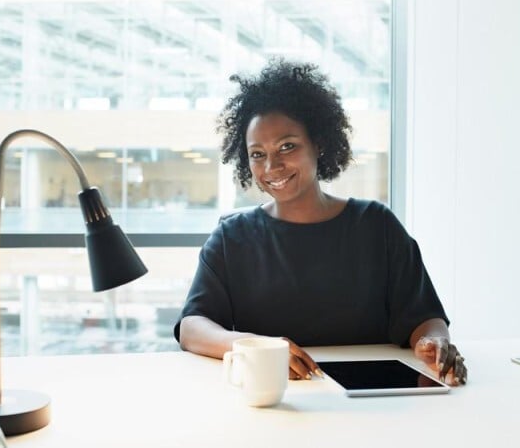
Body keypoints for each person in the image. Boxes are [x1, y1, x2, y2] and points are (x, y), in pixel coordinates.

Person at [174, 59, 467, 385]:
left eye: (288, 146)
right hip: (276, 400)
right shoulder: (233, 237)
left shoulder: (376, 225)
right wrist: (259, 348)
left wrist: (434, 343)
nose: (272, 166)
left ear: (320, 144)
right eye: (257, 154)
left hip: (368, 408)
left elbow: (424, 318)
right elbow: (192, 327)